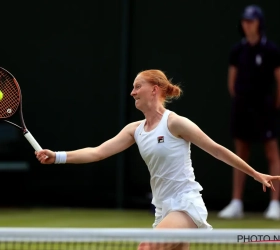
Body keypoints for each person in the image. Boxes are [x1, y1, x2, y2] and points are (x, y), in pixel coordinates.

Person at [36, 70, 280, 250]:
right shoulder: (135, 130)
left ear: (154, 89)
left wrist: (256, 174)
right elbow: (97, 152)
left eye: (137, 86)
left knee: (146, 248)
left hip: (186, 205)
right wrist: (56, 156)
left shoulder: (175, 123)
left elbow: (216, 149)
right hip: (163, 209)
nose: (132, 92)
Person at [218, 5, 280, 220]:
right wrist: (241, 101)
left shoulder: (271, 50)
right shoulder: (237, 51)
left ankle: (275, 204)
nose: (247, 25)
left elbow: (279, 79)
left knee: (272, 154)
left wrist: (274, 105)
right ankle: (236, 203)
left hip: (266, 109)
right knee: (240, 154)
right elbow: (231, 82)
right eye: (245, 21)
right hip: (243, 109)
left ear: (259, 23)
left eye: (251, 21)